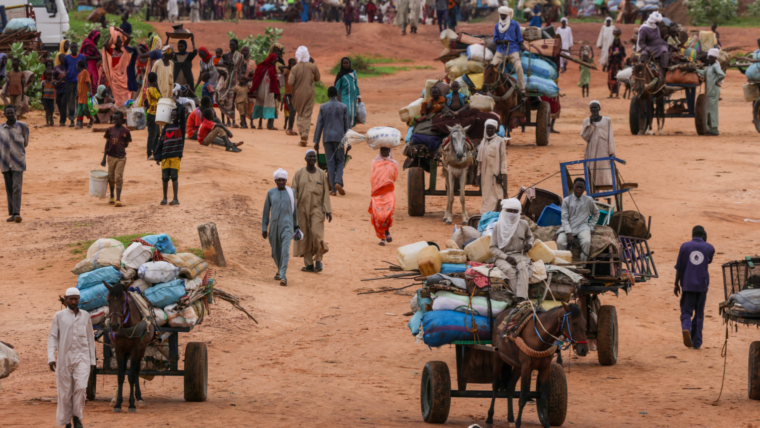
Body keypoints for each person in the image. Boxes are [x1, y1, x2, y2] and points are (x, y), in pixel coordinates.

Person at [47, 287, 97, 428]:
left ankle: (77, 416)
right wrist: (51, 357)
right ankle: (67, 420)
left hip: (83, 358)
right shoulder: (59, 316)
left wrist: (92, 360)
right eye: (71, 299)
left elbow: (90, 338)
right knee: (65, 393)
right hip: (64, 359)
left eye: (76, 299)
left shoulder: (86, 315)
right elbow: (52, 337)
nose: (73, 301)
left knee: (81, 388)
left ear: (78, 299)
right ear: (66, 299)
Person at [674, 225, 714, 350]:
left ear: (692, 235)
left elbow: (679, 267)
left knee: (686, 311)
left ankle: (686, 328)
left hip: (687, 284)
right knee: (699, 314)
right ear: (704, 235)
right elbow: (708, 261)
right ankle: (697, 343)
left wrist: (676, 283)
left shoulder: (685, 246)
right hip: (702, 285)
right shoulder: (710, 247)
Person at [292, 150, 333, 273]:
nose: (312, 158)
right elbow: (293, 192)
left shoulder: (321, 174)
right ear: (305, 158)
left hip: (317, 209)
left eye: (314, 157)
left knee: (316, 235)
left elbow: (326, 193)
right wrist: (292, 210)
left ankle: (319, 260)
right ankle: (309, 264)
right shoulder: (299, 173)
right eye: (309, 156)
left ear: (316, 159)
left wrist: (328, 211)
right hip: (302, 209)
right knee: (305, 237)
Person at [489, 198, 534, 301]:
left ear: (519, 212)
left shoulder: (524, 224)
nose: (512, 213)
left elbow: (530, 237)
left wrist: (529, 245)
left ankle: (522, 298)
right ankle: (520, 299)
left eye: (515, 211)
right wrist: (506, 257)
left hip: (520, 255)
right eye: (509, 211)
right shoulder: (498, 226)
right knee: (510, 271)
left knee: (523, 269)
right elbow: (493, 247)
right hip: (502, 257)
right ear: (504, 211)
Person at [262, 168, 300, 286]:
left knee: (285, 250)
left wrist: (296, 225)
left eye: (283, 180)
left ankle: (283, 276)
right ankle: (279, 270)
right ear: (275, 181)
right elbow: (266, 211)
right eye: (279, 180)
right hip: (274, 226)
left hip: (287, 226)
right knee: (275, 251)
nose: (281, 182)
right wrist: (264, 227)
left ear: (286, 180)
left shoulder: (291, 192)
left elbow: (295, 210)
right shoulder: (271, 193)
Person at [313, 86, 350, 195]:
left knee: (330, 162)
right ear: (337, 95)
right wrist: (349, 142)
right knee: (340, 161)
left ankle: (333, 190)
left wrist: (316, 141)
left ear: (328, 95)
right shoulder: (343, 107)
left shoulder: (323, 107)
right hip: (340, 138)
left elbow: (319, 125)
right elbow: (347, 126)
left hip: (327, 138)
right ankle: (338, 181)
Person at [556, 177, 599, 262]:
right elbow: (564, 219)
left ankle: (582, 265)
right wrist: (569, 232)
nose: (579, 189)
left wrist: (591, 226)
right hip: (568, 226)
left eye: (581, 187)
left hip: (582, 226)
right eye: (577, 187)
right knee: (560, 242)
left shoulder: (589, 200)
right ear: (573, 187)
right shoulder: (566, 200)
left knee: (586, 242)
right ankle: (563, 265)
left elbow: (596, 213)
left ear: (584, 188)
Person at [289, 46, 321, 146]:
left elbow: (290, 82)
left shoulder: (294, 68)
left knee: (300, 114)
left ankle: (302, 135)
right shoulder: (313, 67)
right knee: (307, 115)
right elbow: (317, 79)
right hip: (309, 94)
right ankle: (305, 135)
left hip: (297, 95)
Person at [1, 106, 28, 223]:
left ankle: (17, 213)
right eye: (8, 113)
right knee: (9, 188)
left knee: (17, 187)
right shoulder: (1, 128)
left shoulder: (23, 126)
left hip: (18, 162)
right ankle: (12, 213)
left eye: (12, 113)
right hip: (5, 162)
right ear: (5, 114)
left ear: (15, 113)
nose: (10, 115)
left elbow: (25, 142)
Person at [491, 7, 525, 96]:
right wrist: (502, 42)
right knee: (492, 68)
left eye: (504, 15)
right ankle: (491, 88)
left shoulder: (515, 24)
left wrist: (522, 45)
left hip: (513, 49)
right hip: (500, 50)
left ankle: (522, 89)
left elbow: (519, 38)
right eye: (501, 15)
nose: (502, 16)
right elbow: (495, 39)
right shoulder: (497, 25)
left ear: (508, 15)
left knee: (518, 67)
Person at [154, 108, 184, 205]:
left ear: (178, 117)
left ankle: (175, 199)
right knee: (165, 177)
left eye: (175, 115)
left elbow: (183, 111)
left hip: (175, 156)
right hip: (165, 155)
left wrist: (177, 104)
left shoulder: (181, 127)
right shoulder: (166, 127)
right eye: (172, 115)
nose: (173, 117)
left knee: (174, 177)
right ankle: (164, 198)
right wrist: (157, 155)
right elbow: (161, 141)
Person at [581, 100, 615, 188]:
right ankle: (593, 198)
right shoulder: (586, 121)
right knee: (592, 173)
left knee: (604, 173)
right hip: (591, 151)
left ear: (599, 108)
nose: (593, 109)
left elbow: (610, 136)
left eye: (595, 107)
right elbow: (585, 137)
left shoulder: (607, 120)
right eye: (592, 108)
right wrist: (590, 124)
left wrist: (611, 152)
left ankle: (608, 197)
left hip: (603, 151)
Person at [476, 119, 507, 214]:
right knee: (486, 194)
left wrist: (502, 174)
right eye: (488, 128)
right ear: (485, 129)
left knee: (496, 193)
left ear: (495, 129)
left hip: (496, 174)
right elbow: (479, 161)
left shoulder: (500, 141)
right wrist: (478, 174)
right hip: (485, 175)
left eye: (491, 128)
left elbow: (503, 159)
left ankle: (496, 212)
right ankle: (485, 213)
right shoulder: (483, 142)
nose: (489, 130)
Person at [369, 146, 397, 245]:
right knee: (379, 216)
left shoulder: (394, 164)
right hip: (377, 193)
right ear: (380, 151)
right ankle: (382, 238)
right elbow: (373, 177)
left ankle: (387, 231)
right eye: (383, 150)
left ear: (390, 151)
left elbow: (394, 178)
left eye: (387, 150)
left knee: (388, 215)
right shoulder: (375, 162)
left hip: (389, 192)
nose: (385, 152)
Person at [101, 110, 131, 206]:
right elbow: (107, 144)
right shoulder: (109, 130)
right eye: (113, 119)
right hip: (110, 157)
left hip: (121, 158)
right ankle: (112, 196)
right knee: (111, 177)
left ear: (122, 120)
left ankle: (118, 199)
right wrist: (103, 158)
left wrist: (119, 148)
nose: (114, 121)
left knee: (118, 177)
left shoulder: (126, 131)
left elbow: (126, 144)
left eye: (116, 119)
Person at [250, 52, 281, 130]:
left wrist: (276, 92)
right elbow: (256, 79)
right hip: (261, 90)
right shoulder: (261, 67)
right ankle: (260, 123)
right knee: (260, 104)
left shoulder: (273, 69)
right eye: (275, 60)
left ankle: (270, 125)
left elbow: (275, 82)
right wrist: (255, 90)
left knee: (271, 105)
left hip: (270, 91)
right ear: (271, 59)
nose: (275, 62)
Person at [697, 49, 725, 136]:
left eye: (711, 57)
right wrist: (695, 70)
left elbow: (722, 75)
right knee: (709, 110)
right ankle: (710, 128)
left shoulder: (715, 66)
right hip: (710, 91)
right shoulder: (710, 66)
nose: (709, 59)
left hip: (714, 90)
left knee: (713, 110)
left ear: (715, 58)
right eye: (709, 57)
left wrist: (716, 81)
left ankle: (715, 130)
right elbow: (703, 72)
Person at [334, 57, 361, 128]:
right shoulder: (340, 75)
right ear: (342, 64)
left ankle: (350, 128)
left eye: (347, 63)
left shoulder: (353, 72)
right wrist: (334, 97)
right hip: (345, 96)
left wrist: (359, 96)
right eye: (344, 63)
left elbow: (356, 84)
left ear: (349, 64)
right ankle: (346, 127)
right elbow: (337, 86)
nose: (345, 64)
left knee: (352, 113)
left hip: (353, 96)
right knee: (347, 112)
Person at [62, 42, 83, 127]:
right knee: (71, 100)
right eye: (72, 47)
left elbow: (85, 68)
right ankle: (71, 120)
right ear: (70, 48)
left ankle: (79, 119)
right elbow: (65, 67)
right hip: (69, 81)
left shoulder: (82, 57)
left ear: (77, 48)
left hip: (79, 82)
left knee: (79, 101)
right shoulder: (66, 57)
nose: (74, 49)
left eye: (75, 47)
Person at [146, 72, 162, 159]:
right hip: (153, 114)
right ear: (156, 80)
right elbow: (160, 97)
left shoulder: (148, 88)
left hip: (152, 113)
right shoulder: (153, 89)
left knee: (156, 134)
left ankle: (155, 152)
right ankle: (150, 153)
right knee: (153, 134)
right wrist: (157, 86)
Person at [75, 60, 93, 129]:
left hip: (85, 95)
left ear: (78, 66)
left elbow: (88, 82)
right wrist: (77, 94)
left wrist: (90, 92)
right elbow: (78, 85)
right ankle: (80, 124)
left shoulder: (85, 72)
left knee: (85, 109)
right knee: (79, 111)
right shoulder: (79, 75)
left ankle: (91, 119)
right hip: (80, 95)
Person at [282, 58, 298, 135]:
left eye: (295, 64)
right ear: (289, 65)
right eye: (292, 64)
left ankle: (290, 127)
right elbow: (280, 68)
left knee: (293, 111)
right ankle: (289, 128)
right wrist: (286, 67)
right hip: (288, 95)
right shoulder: (287, 71)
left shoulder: (297, 73)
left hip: (295, 95)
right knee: (292, 110)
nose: (294, 66)